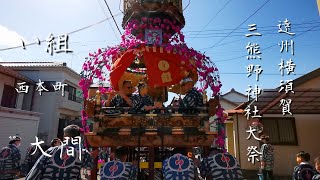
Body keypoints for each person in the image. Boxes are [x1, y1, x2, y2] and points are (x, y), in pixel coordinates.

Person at [25, 125, 93, 180]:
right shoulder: (83, 153)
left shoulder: (50, 151)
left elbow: (36, 171)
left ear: (65, 137)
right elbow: (90, 168)